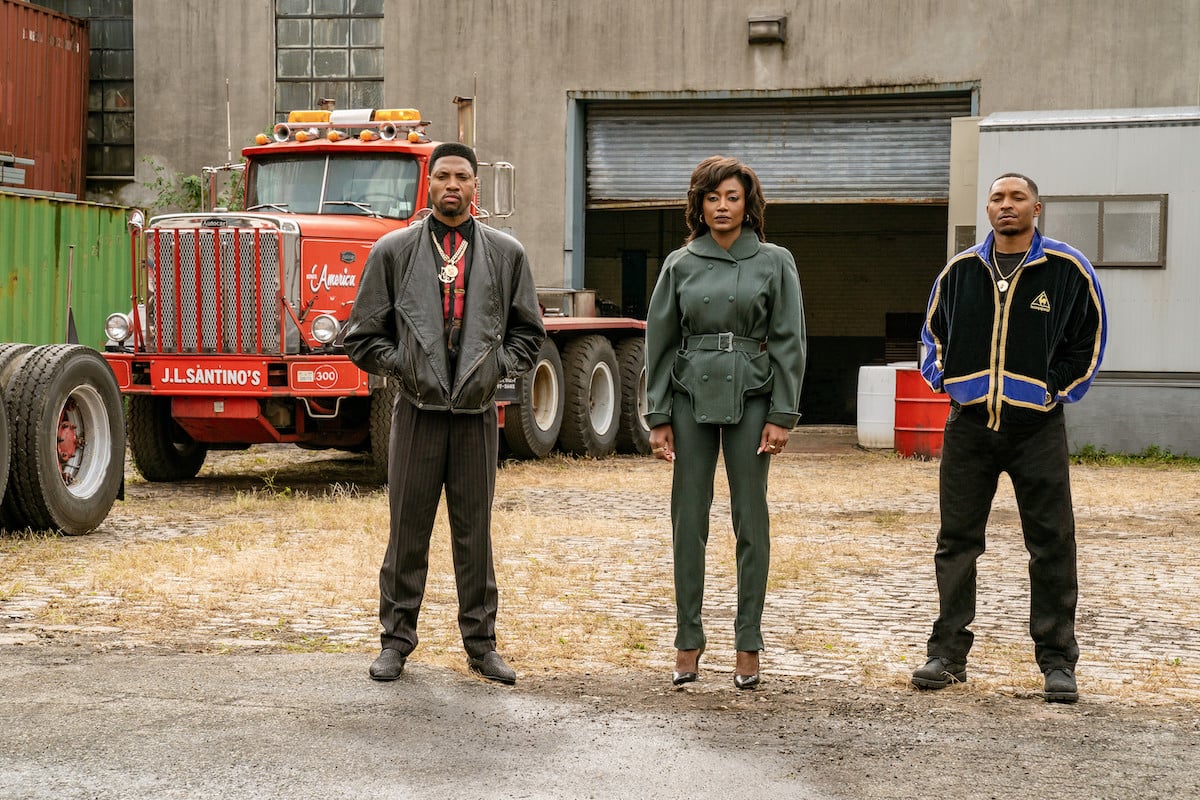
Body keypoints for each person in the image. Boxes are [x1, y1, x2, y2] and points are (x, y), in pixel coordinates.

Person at [344, 141, 545, 685]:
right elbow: (360, 337)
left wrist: (496, 366)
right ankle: (395, 643)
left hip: (477, 414)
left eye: (462, 177)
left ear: (475, 187)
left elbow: (530, 334)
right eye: (442, 177)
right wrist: (405, 367)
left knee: (473, 532)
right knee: (406, 531)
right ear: (428, 185)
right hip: (417, 413)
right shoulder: (394, 251)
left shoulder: (506, 254)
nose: (451, 186)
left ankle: (482, 646)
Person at [912, 173, 1107, 703]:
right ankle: (947, 655)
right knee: (956, 542)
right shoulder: (960, 271)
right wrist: (950, 384)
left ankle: (1057, 662)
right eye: (997, 197)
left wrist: (1052, 391)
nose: (1005, 205)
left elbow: (1088, 341)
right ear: (988, 208)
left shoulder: (1066, 270)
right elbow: (932, 335)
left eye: (1016, 197)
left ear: (1036, 207)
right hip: (969, 426)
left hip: (1036, 429)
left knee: (1051, 543)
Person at [644, 155, 806, 690]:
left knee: (749, 520)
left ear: (748, 203)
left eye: (732, 197)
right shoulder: (679, 263)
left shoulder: (775, 260)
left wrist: (783, 413)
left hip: (754, 398)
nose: (722, 207)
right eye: (712, 198)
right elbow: (660, 341)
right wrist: (658, 414)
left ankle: (748, 645)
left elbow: (788, 341)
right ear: (699, 204)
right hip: (689, 397)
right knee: (688, 521)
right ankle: (687, 642)